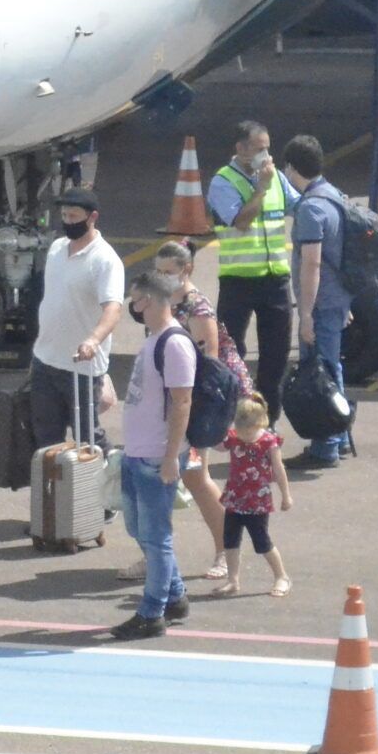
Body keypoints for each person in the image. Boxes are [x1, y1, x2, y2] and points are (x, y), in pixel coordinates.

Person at [152, 239, 242, 580]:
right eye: (157, 272)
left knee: (196, 478)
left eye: (168, 272)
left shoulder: (197, 309)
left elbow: (208, 368)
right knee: (154, 480)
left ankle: (225, 551)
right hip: (163, 402)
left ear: (186, 270)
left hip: (192, 405)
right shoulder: (162, 301)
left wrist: (189, 418)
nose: (162, 278)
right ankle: (154, 556)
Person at [114, 273, 196, 640]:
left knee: (156, 535)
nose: (132, 307)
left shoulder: (174, 345)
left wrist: (169, 458)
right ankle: (174, 594)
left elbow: (182, 403)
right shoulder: (154, 341)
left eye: (135, 300)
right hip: (137, 452)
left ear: (148, 300)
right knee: (137, 527)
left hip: (155, 457)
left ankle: (151, 613)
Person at [205, 121, 294, 429]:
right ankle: (233, 415)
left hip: (275, 278)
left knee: (276, 354)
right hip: (239, 279)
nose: (265, 155)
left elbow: (300, 203)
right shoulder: (224, 181)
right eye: (258, 149)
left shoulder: (276, 177)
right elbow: (240, 221)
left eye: (267, 148)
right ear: (240, 149)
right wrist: (261, 189)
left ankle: (268, 420)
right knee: (231, 352)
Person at [29, 189, 126, 448]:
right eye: (64, 215)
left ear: (92, 217)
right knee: (46, 438)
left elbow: (113, 309)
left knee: (88, 439)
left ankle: (106, 483)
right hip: (45, 360)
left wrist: (93, 341)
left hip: (80, 368)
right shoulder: (57, 249)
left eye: (74, 216)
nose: (68, 221)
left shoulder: (105, 260)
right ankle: (51, 488)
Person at [284, 136, 354, 467]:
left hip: (321, 303)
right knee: (330, 368)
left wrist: (306, 315)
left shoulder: (311, 208)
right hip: (336, 298)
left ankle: (327, 444)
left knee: (320, 375)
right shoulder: (334, 196)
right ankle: (337, 437)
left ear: (292, 168)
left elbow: (312, 263)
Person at [217, 394, 296, 598]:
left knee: (262, 542)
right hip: (235, 498)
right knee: (230, 541)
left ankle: (281, 576)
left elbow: (279, 470)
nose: (242, 435)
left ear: (259, 423)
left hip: (257, 502)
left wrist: (286, 495)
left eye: (247, 431)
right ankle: (233, 580)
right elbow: (217, 445)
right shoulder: (234, 437)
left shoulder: (268, 442)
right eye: (240, 430)